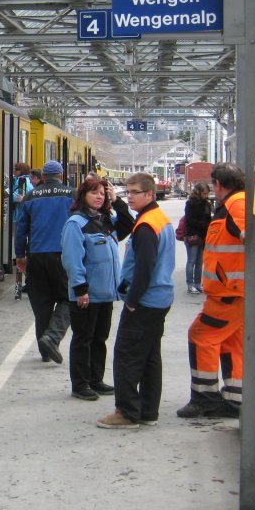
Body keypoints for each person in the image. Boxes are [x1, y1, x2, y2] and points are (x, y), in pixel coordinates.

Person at [97, 172, 175, 429]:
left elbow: (145, 267)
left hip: (145, 300)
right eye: (127, 192)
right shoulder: (158, 219)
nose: (128, 197)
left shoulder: (145, 227)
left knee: (127, 355)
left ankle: (127, 412)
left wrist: (132, 300)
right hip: (160, 298)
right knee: (150, 355)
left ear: (149, 194)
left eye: (134, 193)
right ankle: (148, 411)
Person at [176, 162, 246, 419]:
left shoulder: (236, 204)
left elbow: (253, 235)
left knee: (201, 335)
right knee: (232, 342)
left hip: (230, 292)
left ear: (218, 184)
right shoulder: (235, 203)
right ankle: (235, 399)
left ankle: (204, 398)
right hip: (234, 291)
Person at [61, 176, 122, 400]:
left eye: (102, 193)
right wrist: (80, 289)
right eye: (94, 192)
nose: (99, 197)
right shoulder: (76, 223)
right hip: (86, 294)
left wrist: (116, 202)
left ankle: (96, 379)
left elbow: (130, 223)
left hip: (106, 293)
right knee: (83, 339)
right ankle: (80, 384)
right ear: (83, 196)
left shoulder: (106, 220)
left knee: (99, 339)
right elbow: (72, 259)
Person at [15, 160, 74, 364]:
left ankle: (45, 351)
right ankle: (52, 337)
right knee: (69, 298)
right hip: (62, 255)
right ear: (61, 174)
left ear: (43, 176)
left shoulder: (31, 196)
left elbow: (21, 228)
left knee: (42, 304)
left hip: (36, 256)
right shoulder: (70, 195)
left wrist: (20, 255)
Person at [183, 181, 212, 293]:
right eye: (204, 193)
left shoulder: (207, 204)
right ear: (198, 192)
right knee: (192, 260)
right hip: (192, 235)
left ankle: (197, 284)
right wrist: (205, 225)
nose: (206, 196)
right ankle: (190, 285)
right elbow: (189, 220)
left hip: (203, 235)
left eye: (207, 193)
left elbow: (208, 218)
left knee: (200, 262)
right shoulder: (190, 203)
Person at [12, 162, 34, 299]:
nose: (14, 171)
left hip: (19, 217)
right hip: (20, 217)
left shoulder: (22, 181)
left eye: (16, 169)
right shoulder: (24, 181)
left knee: (22, 254)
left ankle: (28, 282)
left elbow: (18, 197)